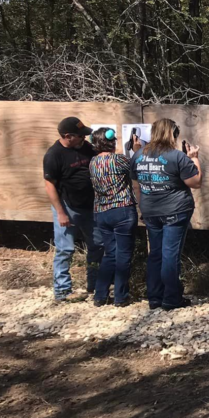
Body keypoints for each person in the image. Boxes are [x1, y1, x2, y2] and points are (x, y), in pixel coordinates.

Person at [131, 118, 201, 310]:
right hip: (175, 210)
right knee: (170, 255)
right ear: (172, 134)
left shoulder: (138, 156)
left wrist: (142, 207)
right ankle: (171, 298)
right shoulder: (177, 156)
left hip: (150, 210)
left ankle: (154, 298)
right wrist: (194, 158)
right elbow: (195, 182)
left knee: (155, 254)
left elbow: (137, 186)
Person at [43, 116, 103, 303]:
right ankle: (62, 290)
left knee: (97, 245)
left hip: (90, 206)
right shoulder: (54, 155)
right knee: (65, 249)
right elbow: (49, 185)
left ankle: (94, 285)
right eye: (79, 136)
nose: (84, 138)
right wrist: (60, 213)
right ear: (67, 136)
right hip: (67, 206)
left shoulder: (86, 148)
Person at [88, 128, 138, 307]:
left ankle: (100, 295)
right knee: (123, 254)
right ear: (111, 142)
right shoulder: (119, 160)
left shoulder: (93, 162)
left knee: (110, 254)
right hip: (122, 210)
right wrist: (136, 149)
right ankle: (120, 296)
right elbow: (136, 167)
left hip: (101, 212)